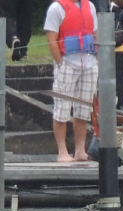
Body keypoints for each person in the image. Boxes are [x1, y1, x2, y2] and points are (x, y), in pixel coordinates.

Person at [45, 0, 99, 162]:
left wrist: (97, 57)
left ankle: (80, 150)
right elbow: (52, 39)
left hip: (89, 62)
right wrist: (60, 62)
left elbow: (95, 34)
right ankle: (62, 151)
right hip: (67, 62)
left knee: (84, 109)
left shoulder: (90, 6)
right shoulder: (56, 8)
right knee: (62, 108)